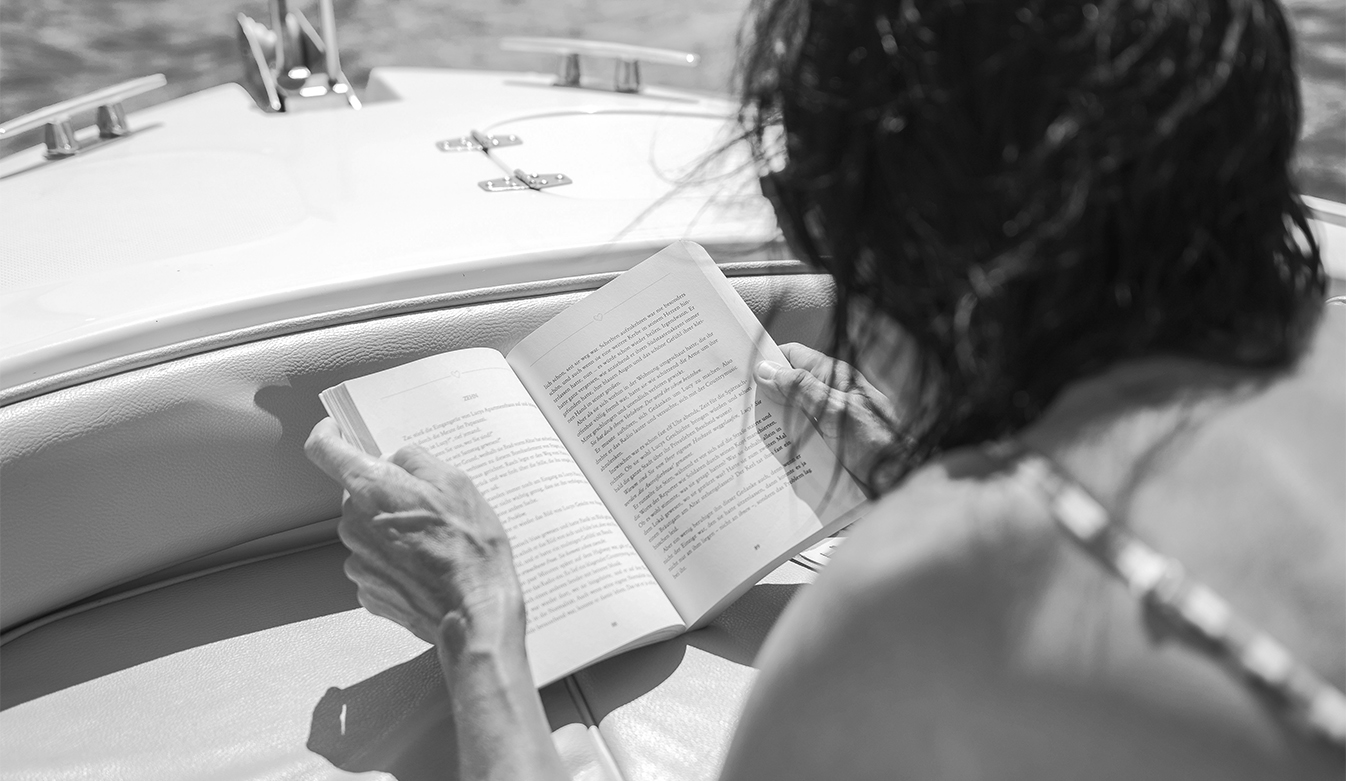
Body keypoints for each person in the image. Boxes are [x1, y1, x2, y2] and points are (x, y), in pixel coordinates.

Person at [304, 0, 1345, 777]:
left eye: (808, 196)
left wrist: (477, 622)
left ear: (919, 235)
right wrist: (912, 474)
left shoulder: (920, 603)